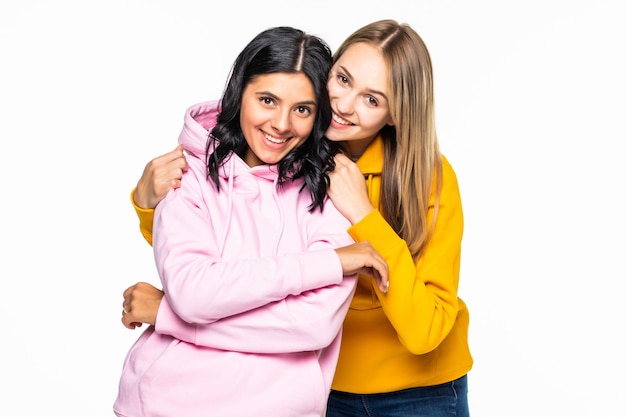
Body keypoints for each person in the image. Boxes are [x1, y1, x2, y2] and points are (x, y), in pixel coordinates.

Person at [124, 19, 472, 417]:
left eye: (372, 99)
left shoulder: (422, 176)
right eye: (342, 79)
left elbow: (424, 329)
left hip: (417, 392)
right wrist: (148, 205)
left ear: (397, 113)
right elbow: (219, 259)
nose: (343, 105)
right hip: (319, 387)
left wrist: (363, 214)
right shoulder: (286, 156)